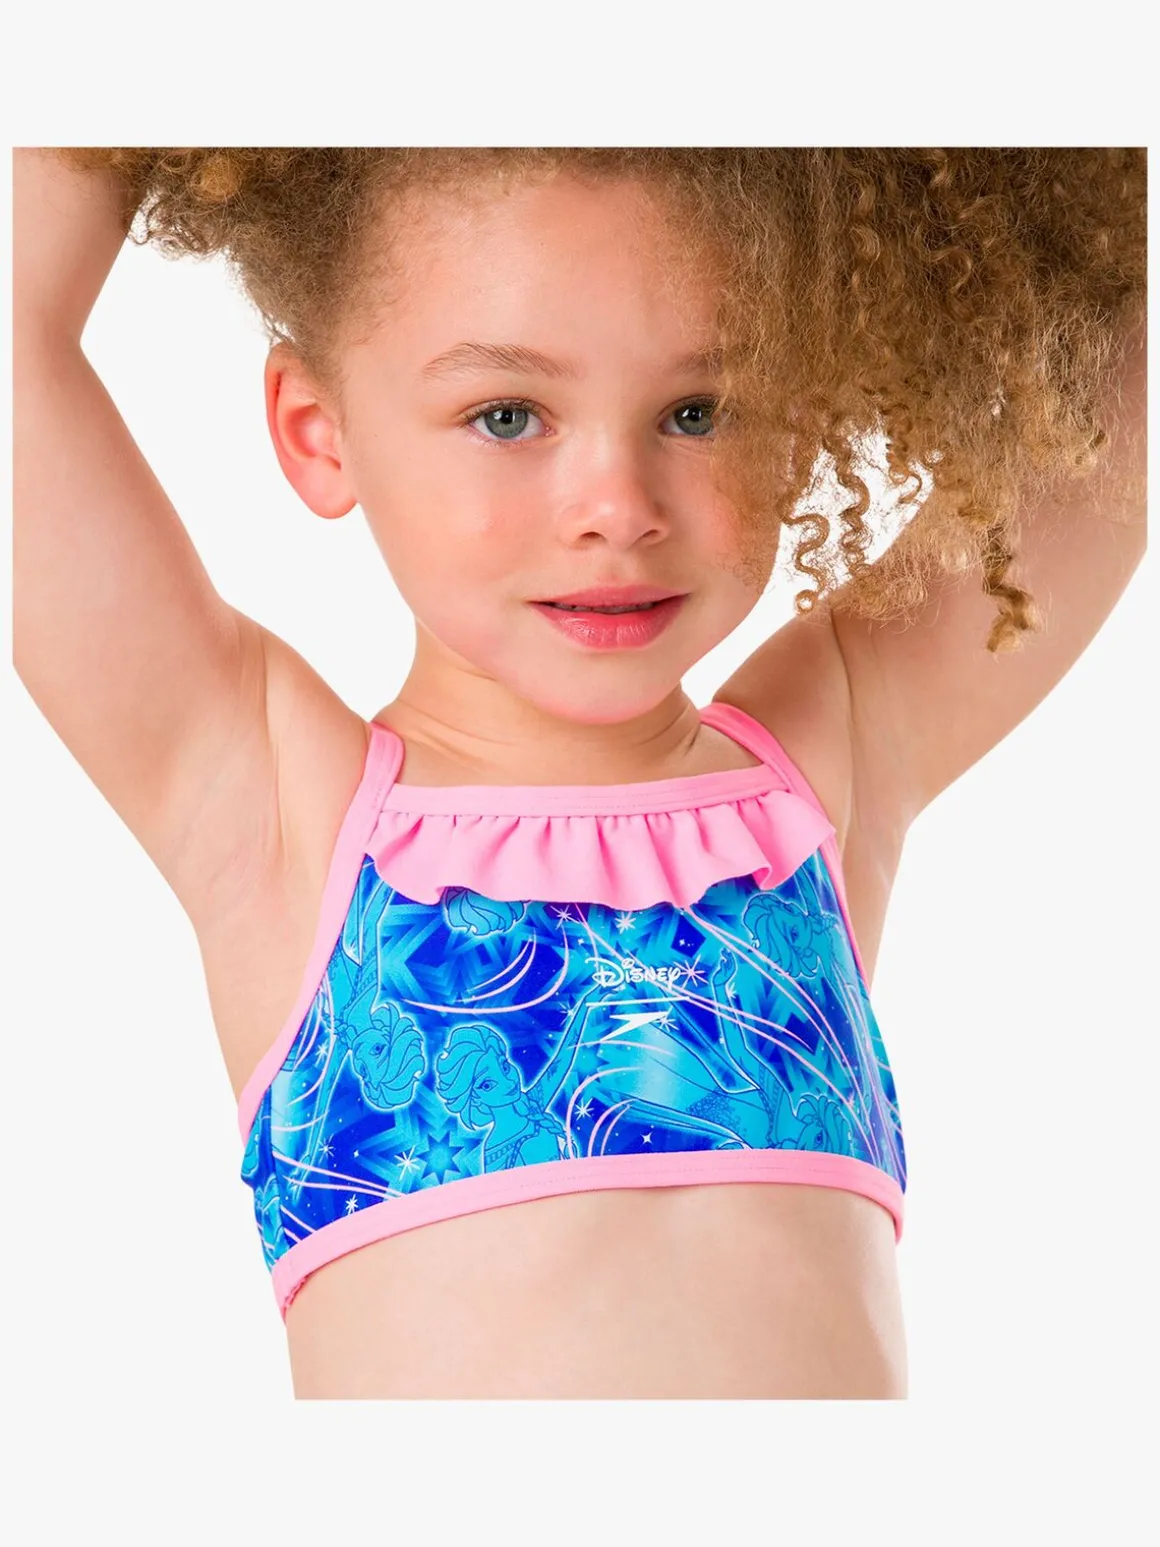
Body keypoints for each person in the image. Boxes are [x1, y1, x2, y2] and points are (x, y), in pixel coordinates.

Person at [12, 146, 1146, 1400]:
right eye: (507, 415)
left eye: (698, 411)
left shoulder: (816, 780)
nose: (617, 505)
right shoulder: (272, 806)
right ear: (317, 432)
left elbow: (1119, 356)